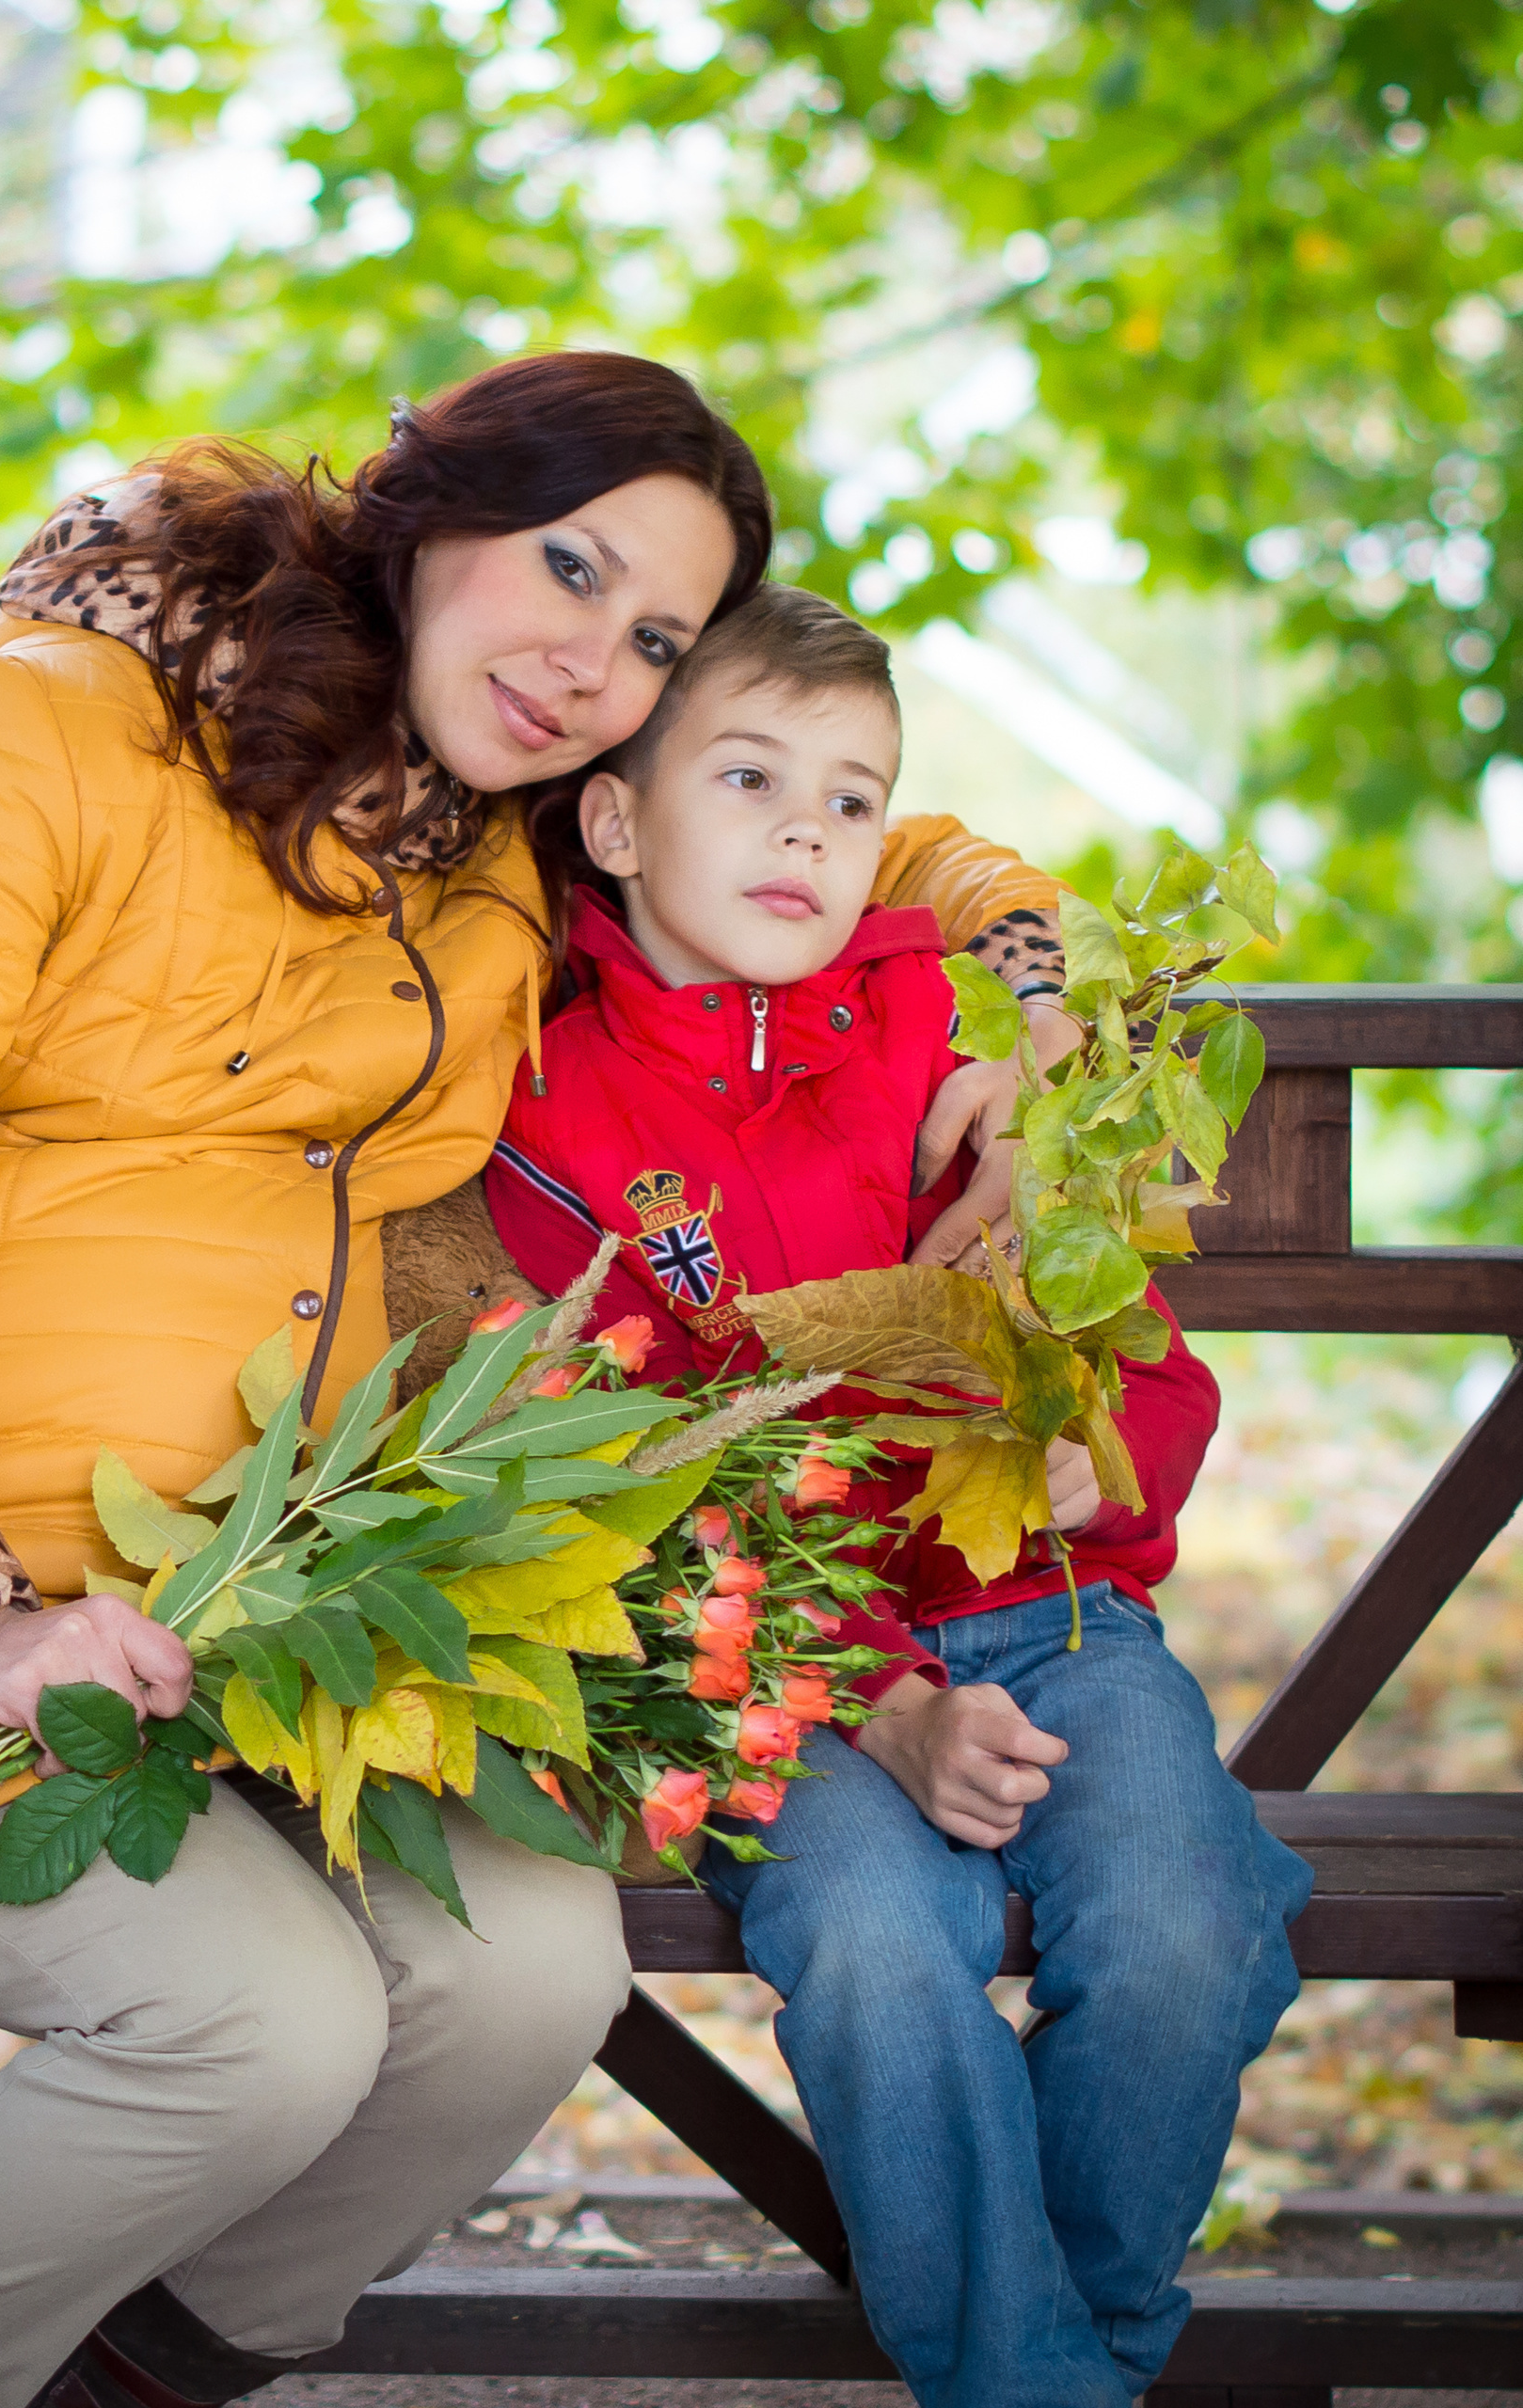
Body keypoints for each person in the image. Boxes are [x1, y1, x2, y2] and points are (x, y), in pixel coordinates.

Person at [0, 353, 1071, 2408]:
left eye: (651, 634)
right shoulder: (21, 739)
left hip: (262, 1603)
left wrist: (1026, 979)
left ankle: (127, 2374)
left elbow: (827, 804)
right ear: (423, 507)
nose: (591, 660)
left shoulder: (484, 844)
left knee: (524, 1971)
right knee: (257, 2018)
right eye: (565, 566)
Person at [485, 582, 1312, 2408]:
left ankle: (1049, 2359)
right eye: (752, 774)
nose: (807, 827)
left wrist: (1108, 1455)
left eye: (853, 796)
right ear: (612, 817)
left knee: (1191, 1919)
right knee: (875, 1943)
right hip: (776, 1672)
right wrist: (889, 1701)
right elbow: (635, 1487)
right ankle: (1042, 2379)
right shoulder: (556, 1110)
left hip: (1062, 1618)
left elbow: (1132, 1335)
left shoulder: (963, 1036)